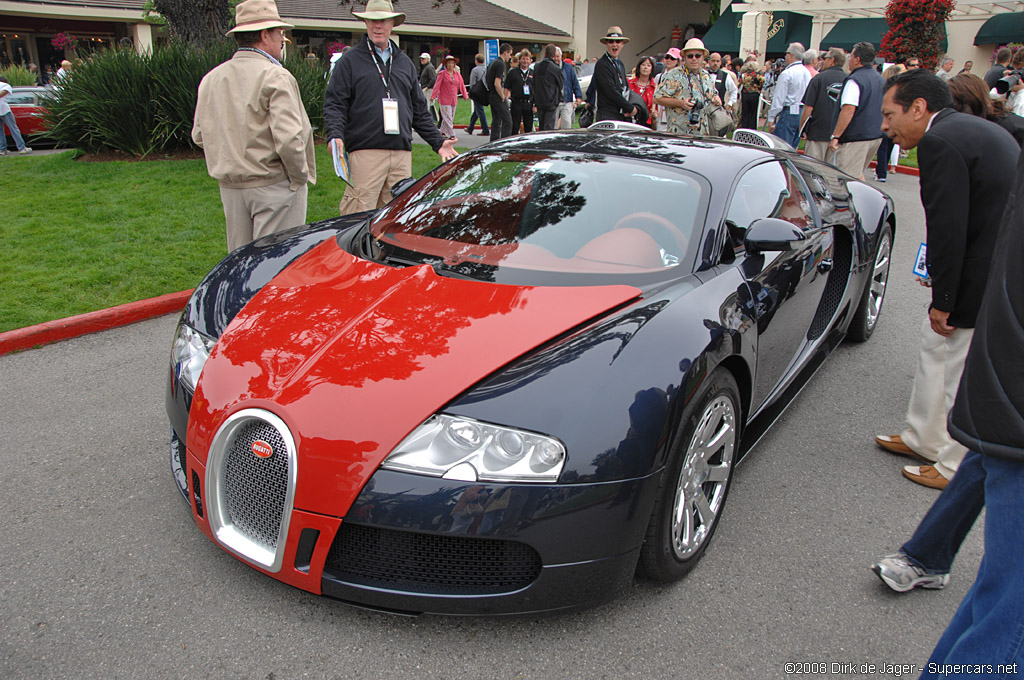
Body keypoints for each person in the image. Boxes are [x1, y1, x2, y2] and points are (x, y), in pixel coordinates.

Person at [873, 68, 1017, 490]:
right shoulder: (966, 129)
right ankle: (924, 437)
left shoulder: (940, 141)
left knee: (955, 360)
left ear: (918, 109)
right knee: (935, 346)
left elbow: (949, 228)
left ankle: (952, 462)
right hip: (990, 261)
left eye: (889, 114)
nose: (884, 127)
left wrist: (946, 299)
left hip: (985, 270)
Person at [918, 148, 1024, 680]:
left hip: (1006, 394)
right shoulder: (950, 144)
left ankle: (923, 555)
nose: (885, 128)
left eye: (889, 117)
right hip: (1009, 398)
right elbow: (952, 226)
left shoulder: (953, 143)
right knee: (1009, 622)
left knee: (1004, 607)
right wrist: (947, 297)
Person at [192, 0, 314, 252]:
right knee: (276, 266)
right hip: (274, 185)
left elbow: (200, 135)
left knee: (239, 267)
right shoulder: (276, 76)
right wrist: (298, 178)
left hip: (231, 186)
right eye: (279, 32)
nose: (283, 38)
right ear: (263, 35)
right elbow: (290, 139)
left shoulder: (211, 78)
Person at [324, 0, 456, 216]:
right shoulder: (349, 61)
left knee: (396, 221)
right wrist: (335, 134)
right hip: (366, 153)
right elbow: (335, 103)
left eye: (383, 21)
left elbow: (419, 111)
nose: (378, 26)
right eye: (373, 20)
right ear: (365, 22)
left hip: (401, 155)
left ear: (392, 24)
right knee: (359, 219)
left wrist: (439, 142)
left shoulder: (404, 63)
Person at [828, 41, 886, 181]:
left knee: (846, 180)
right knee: (858, 174)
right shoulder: (880, 80)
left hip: (855, 137)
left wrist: (836, 136)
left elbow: (848, 109)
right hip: (874, 135)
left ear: (858, 59)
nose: (849, 59)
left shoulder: (855, 80)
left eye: (851, 56)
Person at [654, 38, 719, 135]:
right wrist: (681, 103)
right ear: (684, 57)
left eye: (698, 56)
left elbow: (713, 94)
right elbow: (657, 98)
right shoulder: (674, 75)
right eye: (690, 56)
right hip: (679, 133)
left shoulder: (706, 76)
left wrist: (716, 98)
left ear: (703, 58)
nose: (694, 59)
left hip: (703, 133)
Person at [799, 48, 846, 161]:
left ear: (832, 60)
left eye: (825, 58)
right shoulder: (848, 80)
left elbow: (808, 107)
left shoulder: (819, 79)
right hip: (838, 134)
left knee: (812, 168)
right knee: (830, 171)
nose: (823, 61)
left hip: (817, 132)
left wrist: (802, 129)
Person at [766, 42, 812, 147]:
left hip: (789, 111)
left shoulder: (787, 73)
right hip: (802, 111)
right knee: (794, 147)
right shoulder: (807, 72)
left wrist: (771, 118)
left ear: (790, 55)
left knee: (782, 147)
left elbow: (779, 97)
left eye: (786, 54)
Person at [593, 26, 637, 122]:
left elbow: (625, 87)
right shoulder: (602, 64)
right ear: (606, 44)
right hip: (607, 115)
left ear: (622, 44)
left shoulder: (620, 64)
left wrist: (632, 105)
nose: (614, 45)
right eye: (611, 42)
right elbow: (611, 91)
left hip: (620, 114)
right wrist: (630, 108)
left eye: (618, 42)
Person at [874, 63, 906, 182]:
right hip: (896, 120)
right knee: (889, 145)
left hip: (885, 119)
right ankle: (883, 170)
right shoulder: (901, 90)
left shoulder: (885, 90)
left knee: (883, 147)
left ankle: (881, 172)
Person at [431, 54, 468, 138]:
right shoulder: (442, 74)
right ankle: (452, 134)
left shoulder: (457, 74)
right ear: (446, 65)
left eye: (452, 63)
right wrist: (433, 95)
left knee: (450, 116)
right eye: (449, 63)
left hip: (453, 99)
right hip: (444, 98)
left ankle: (442, 130)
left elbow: (461, 84)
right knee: (448, 117)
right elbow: (437, 85)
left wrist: (464, 94)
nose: (450, 65)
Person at [533, 44, 563, 131]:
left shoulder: (536, 66)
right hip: (551, 102)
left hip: (539, 101)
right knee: (549, 128)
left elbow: (534, 82)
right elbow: (561, 84)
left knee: (541, 126)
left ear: (545, 53)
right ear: (554, 55)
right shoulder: (556, 69)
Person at [487, 42, 513, 141]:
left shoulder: (493, 62)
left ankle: (494, 141)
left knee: (496, 120)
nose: (510, 57)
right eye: (510, 54)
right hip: (496, 95)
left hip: (491, 95)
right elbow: (497, 83)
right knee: (507, 121)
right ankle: (504, 142)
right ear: (505, 52)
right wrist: (502, 96)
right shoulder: (500, 64)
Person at [0, 76, 32, 156]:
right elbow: (3, 93)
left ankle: (2, 149)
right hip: (4, 109)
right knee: (13, 128)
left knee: (0, 131)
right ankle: (21, 148)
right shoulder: (6, 86)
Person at [507, 50, 535, 134]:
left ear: (530, 61)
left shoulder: (533, 73)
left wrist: (535, 104)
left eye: (527, 59)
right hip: (516, 102)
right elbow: (507, 87)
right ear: (519, 60)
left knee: (528, 127)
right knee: (515, 127)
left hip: (528, 103)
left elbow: (536, 89)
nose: (525, 61)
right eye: (523, 59)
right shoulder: (513, 72)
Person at [653, 48, 681, 131]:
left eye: (672, 58)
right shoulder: (659, 76)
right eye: (667, 57)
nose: (669, 60)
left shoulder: (681, 77)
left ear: (677, 61)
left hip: (675, 113)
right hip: (660, 113)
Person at [628, 55, 656, 128]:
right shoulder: (629, 83)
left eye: (648, 65)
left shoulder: (655, 87)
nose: (645, 67)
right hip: (629, 120)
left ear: (652, 69)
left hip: (647, 122)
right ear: (639, 67)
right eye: (643, 65)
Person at [557, 53, 583, 130]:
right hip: (554, 102)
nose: (556, 58)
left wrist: (578, 96)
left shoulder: (569, 68)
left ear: (561, 56)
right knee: (554, 126)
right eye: (555, 56)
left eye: (558, 56)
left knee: (567, 124)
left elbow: (575, 82)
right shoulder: (551, 67)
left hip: (567, 101)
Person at [466, 54, 490, 136]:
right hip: (484, 92)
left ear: (476, 60)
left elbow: (472, 83)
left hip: (477, 92)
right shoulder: (486, 69)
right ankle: (470, 127)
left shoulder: (475, 70)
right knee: (477, 110)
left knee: (479, 110)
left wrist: (471, 92)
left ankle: (485, 129)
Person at [738, 61, 764, 130]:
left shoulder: (744, 75)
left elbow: (739, 82)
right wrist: (759, 87)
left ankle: (744, 128)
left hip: (745, 94)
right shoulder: (757, 75)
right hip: (754, 94)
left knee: (745, 113)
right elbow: (763, 80)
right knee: (753, 113)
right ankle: (753, 128)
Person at [418, 52, 437, 125]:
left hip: (428, 90)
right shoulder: (426, 67)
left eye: (423, 59)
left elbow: (433, 79)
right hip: (425, 88)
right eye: (421, 59)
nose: (422, 60)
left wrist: (428, 87)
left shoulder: (429, 67)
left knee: (427, 106)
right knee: (425, 106)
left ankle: (428, 122)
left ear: (428, 59)